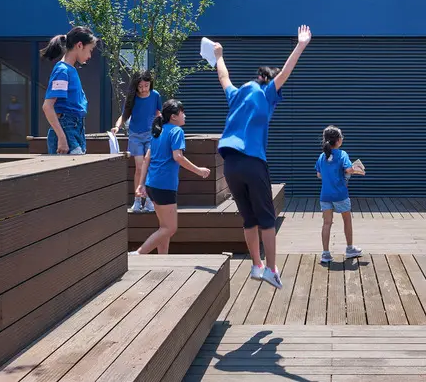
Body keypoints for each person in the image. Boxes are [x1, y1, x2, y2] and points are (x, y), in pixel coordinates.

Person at [213, 25, 312, 289]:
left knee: (249, 217)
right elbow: (286, 71)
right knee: (266, 218)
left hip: (230, 164)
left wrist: (219, 55)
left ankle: (256, 265)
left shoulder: (237, 94)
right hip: (252, 161)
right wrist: (301, 44)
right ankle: (271, 268)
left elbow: (224, 77)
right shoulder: (266, 92)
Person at [130, 99, 210, 255]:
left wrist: (141, 185)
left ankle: (163, 260)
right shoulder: (176, 132)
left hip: (152, 185)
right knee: (170, 228)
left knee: (164, 227)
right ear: (174, 116)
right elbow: (178, 157)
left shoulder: (158, 132)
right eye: (182, 112)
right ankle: (138, 254)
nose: (185, 115)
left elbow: (147, 158)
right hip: (165, 185)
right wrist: (199, 171)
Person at [40, 26, 97, 155]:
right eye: (90, 50)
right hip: (67, 129)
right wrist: (61, 138)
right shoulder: (62, 70)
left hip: (76, 128)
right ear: (80, 45)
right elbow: (47, 106)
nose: (90, 55)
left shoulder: (70, 70)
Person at [111, 70, 162, 212]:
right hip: (135, 136)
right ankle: (137, 200)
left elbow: (158, 111)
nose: (144, 89)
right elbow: (125, 115)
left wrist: (160, 122)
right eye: (141, 86)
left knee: (149, 166)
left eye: (146, 85)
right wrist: (117, 126)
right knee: (139, 168)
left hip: (151, 135)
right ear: (136, 86)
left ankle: (150, 201)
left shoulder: (155, 95)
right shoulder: (132, 97)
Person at [315, 125, 363, 263]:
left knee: (327, 223)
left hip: (325, 195)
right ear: (337, 140)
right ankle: (349, 249)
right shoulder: (342, 154)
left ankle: (325, 254)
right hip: (340, 194)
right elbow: (348, 170)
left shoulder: (322, 156)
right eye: (341, 136)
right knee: (347, 220)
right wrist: (356, 169)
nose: (342, 138)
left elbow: (319, 174)